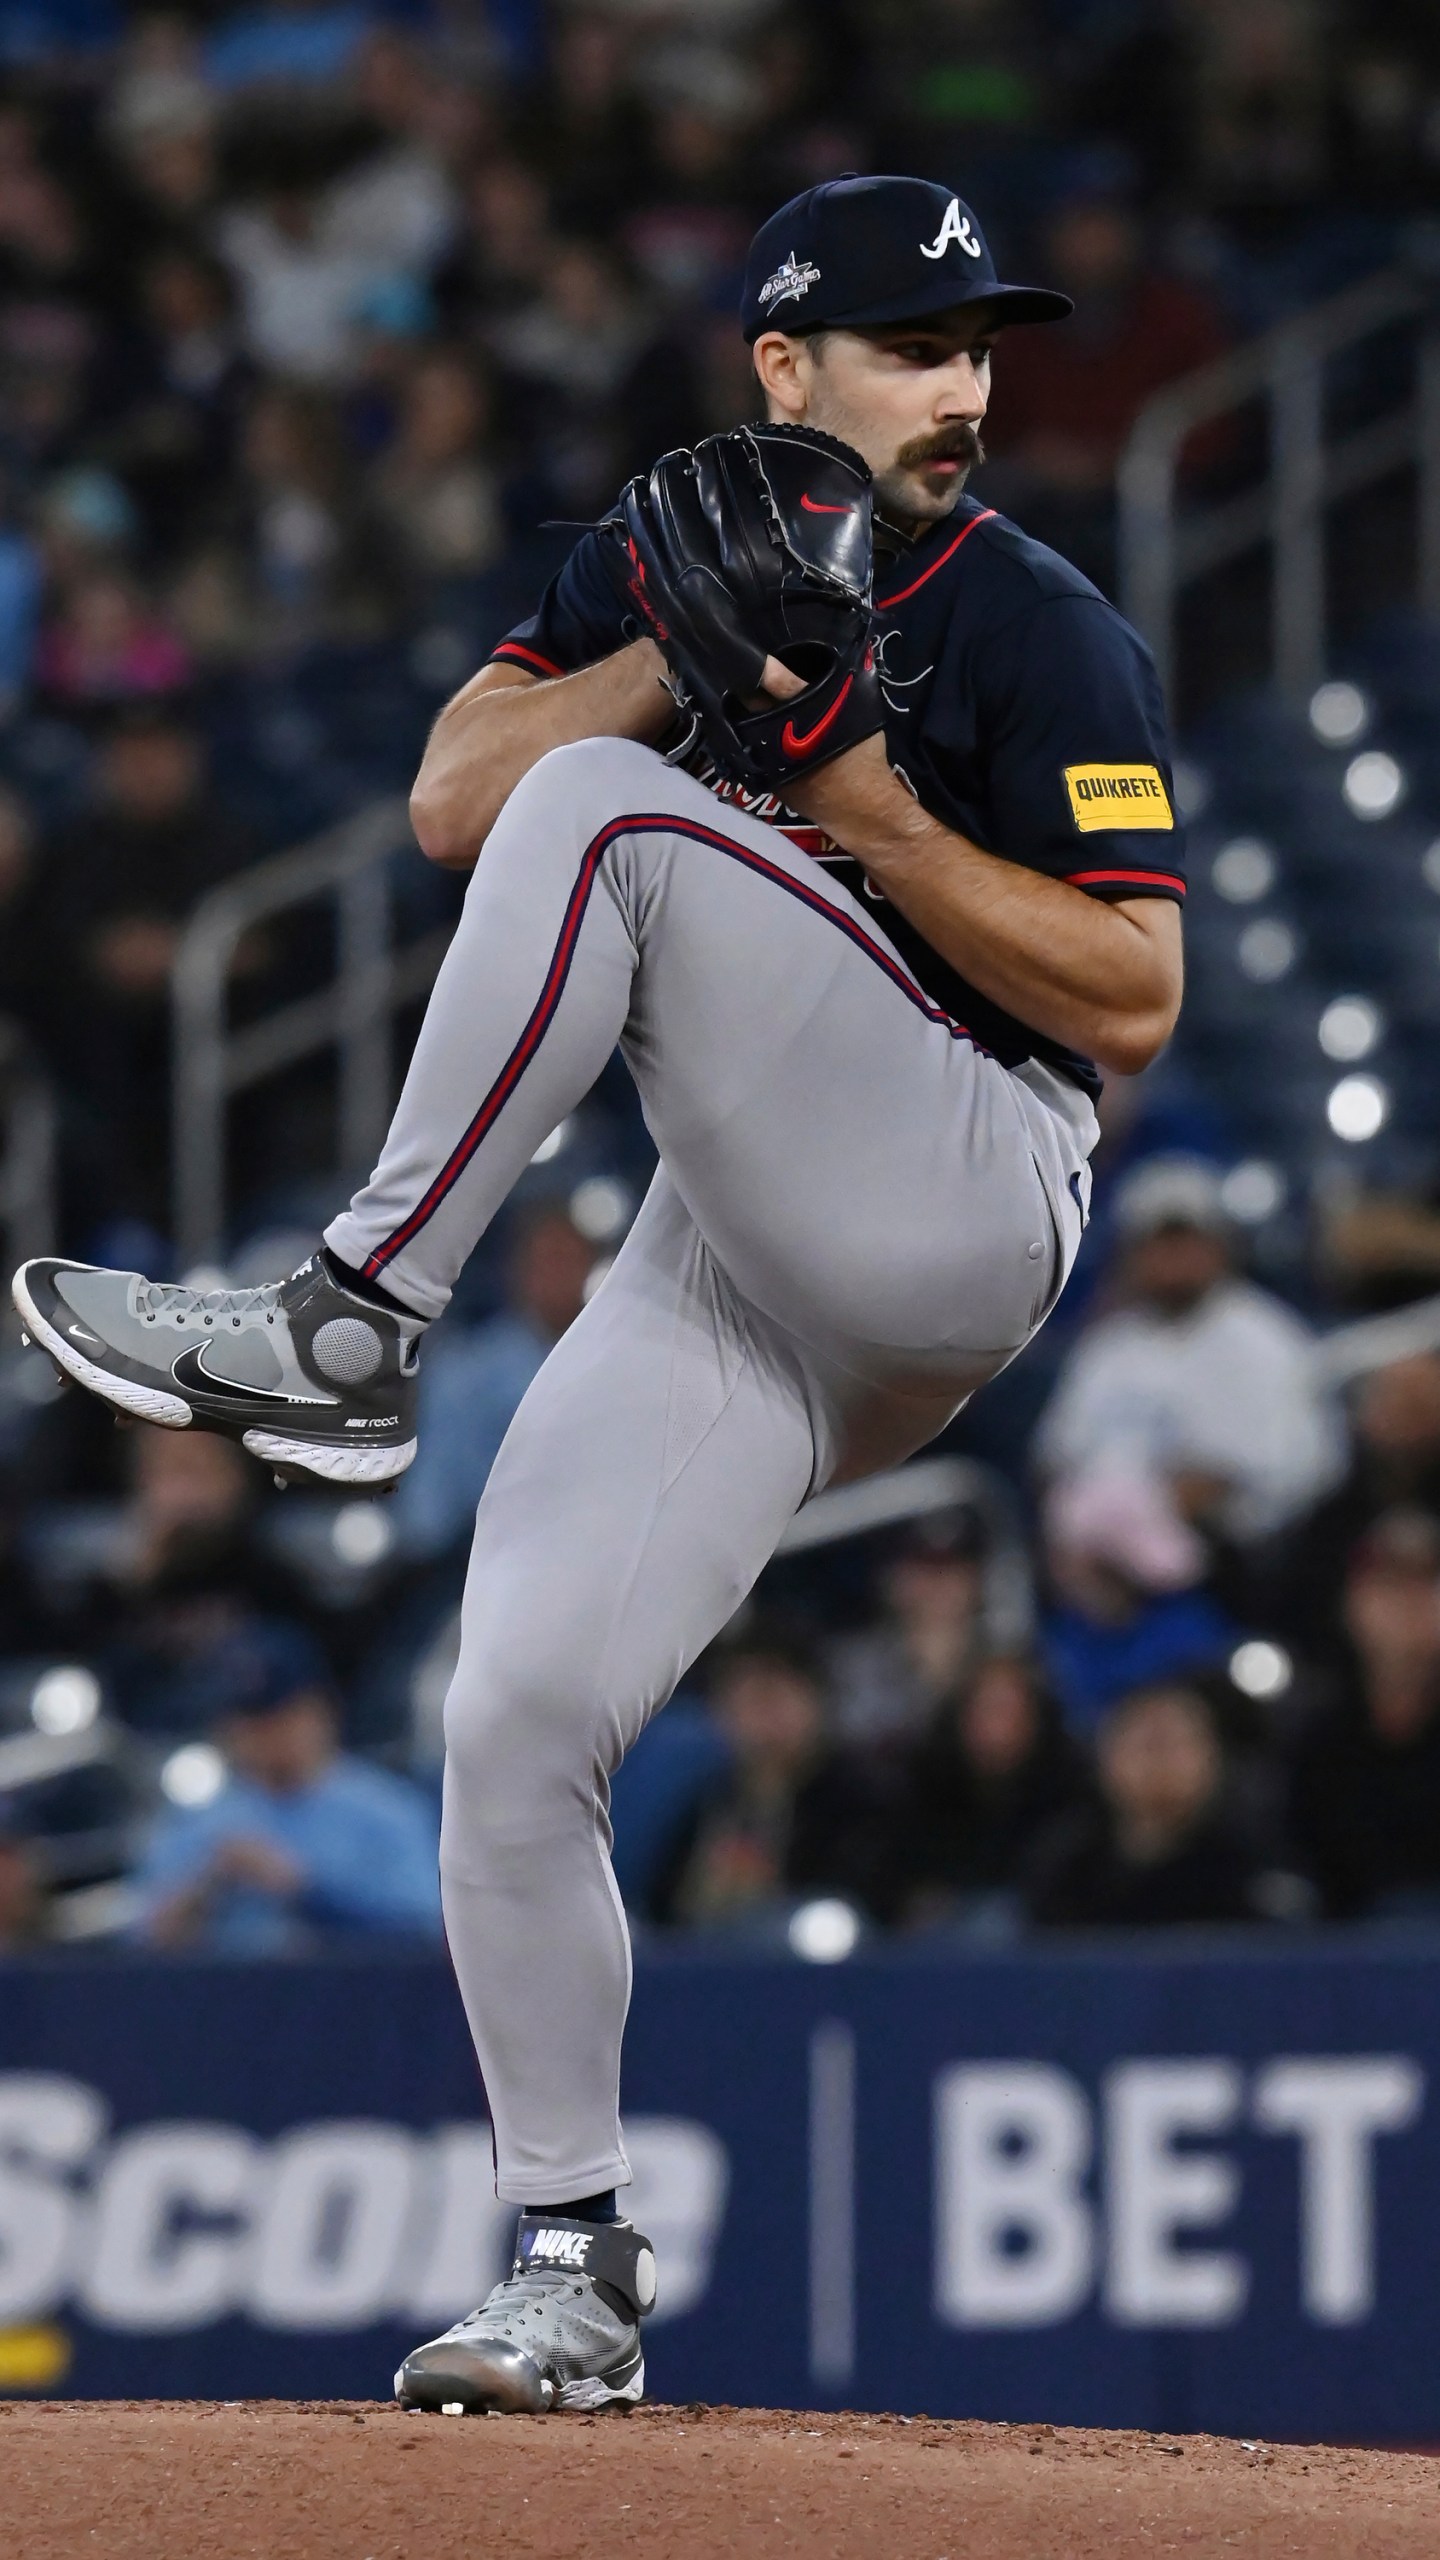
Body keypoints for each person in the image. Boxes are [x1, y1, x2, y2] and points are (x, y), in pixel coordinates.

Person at [18, 173, 1186, 2416]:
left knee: (613, 831)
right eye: (913, 344)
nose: (963, 385)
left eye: (976, 347)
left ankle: (356, 1319)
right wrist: (666, 656)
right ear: (781, 369)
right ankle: (573, 2256)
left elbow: (1134, 996)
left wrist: (871, 806)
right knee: (510, 1717)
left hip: (968, 1189)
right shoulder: (650, 559)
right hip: (736, 1257)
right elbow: (454, 799)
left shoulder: (1033, 620)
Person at [1038, 1155, 1343, 1547]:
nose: (1172, 1259)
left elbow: (1300, 1474)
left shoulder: (1267, 1339)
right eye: (1157, 1244)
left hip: (1233, 1564)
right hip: (1099, 1561)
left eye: (1185, 1241)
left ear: (1221, 1247)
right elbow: (1055, 1460)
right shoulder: (1106, 1347)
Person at [132, 1617, 442, 1952]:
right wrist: (205, 1888)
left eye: (282, 1715)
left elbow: (426, 1930)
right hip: (227, 1999)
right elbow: (137, 1944)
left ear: (321, 1711)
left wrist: (306, 1888)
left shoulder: (386, 1810)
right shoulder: (198, 1820)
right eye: (250, 1721)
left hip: (357, 1997)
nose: (267, 1735)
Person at [394, 1202, 600, 1561]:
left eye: (570, 1261)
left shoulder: (612, 1367)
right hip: (478, 1565)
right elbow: (426, 1515)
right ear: (519, 1272)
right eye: (547, 1262)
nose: (558, 1276)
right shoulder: (466, 1373)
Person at [650, 1623, 886, 1927]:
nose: (762, 1722)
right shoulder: (706, 1798)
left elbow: (863, 1902)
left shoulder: (858, 1799)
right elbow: (664, 1909)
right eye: (744, 1702)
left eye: (772, 1698)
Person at [1025, 1678, 1294, 1930]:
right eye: (1145, 1744)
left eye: (1176, 1742)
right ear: (1105, 1759)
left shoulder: (1254, 1869)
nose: (1160, 1762)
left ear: (1214, 1757)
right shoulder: (1065, 1869)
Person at [1289, 1511, 1440, 1919]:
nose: (1409, 1605)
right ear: (1352, 1603)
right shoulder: (1317, 1743)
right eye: (1389, 1586)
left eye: (1427, 1584)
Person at [873, 1651, 1090, 1926]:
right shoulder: (918, 1786)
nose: (998, 1725)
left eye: (1011, 1709)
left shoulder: (1070, 1796)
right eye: (987, 1707)